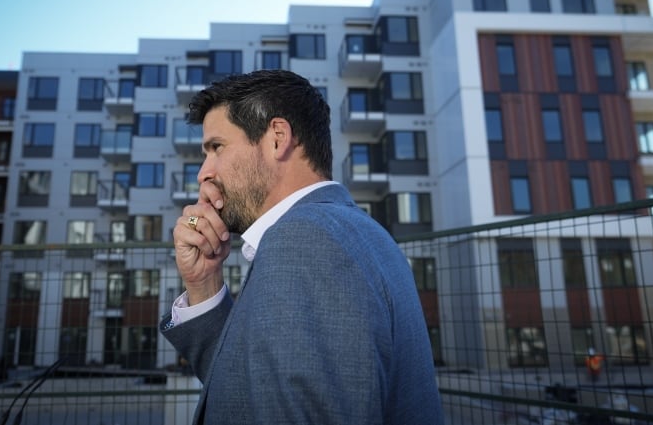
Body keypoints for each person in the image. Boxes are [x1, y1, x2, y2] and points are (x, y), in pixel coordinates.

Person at [159, 69, 443, 424]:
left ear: (278, 138)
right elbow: (249, 385)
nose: (203, 173)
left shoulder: (306, 242)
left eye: (216, 147)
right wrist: (203, 286)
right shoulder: (345, 231)